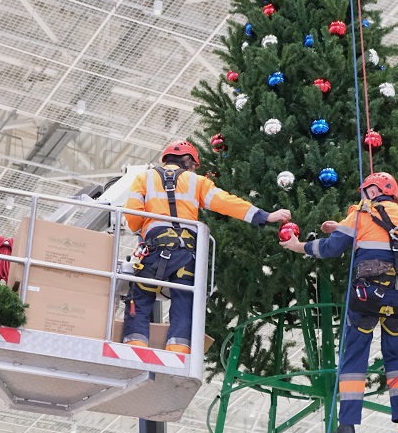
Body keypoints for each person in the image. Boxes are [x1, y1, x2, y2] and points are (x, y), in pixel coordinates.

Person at [279, 171, 398, 433]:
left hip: (368, 298)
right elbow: (389, 245)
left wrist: (298, 246)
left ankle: (347, 427)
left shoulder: (361, 214)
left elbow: (330, 249)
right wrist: (344, 227)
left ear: (372, 191)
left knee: (354, 358)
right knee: (397, 362)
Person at [123, 140, 291, 354]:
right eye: (193, 165)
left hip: (154, 249)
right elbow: (226, 203)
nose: (193, 170)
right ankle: (178, 350)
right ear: (187, 160)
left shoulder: (143, 178)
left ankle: (135, 346)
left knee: (140, 295)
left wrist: (143, 227)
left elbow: (133, 217)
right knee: (184, 300)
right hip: (186, 254)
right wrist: (263, 216)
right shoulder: (197, 182)